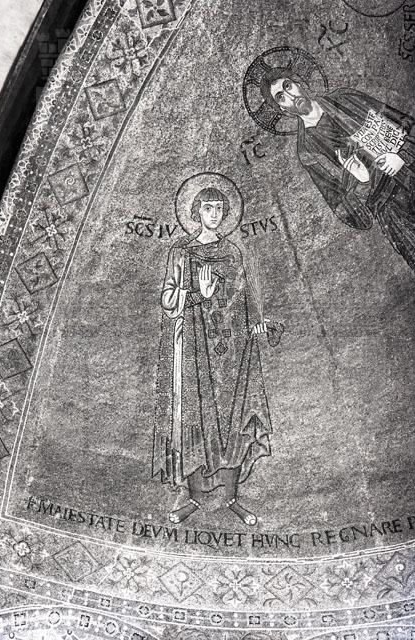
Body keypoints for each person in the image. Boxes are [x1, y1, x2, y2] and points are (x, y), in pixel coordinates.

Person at [152, 184, 272, 526]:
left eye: (219, 208)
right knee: (196, 418)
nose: (215, 214)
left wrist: (257, 322)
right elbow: (168, 299)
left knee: (232, 416)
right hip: (193, 345)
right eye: (208, 208)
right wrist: (198, 294)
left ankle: (231, 497)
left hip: (229, 347)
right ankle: (192, 498)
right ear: (196, 213)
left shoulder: (233, 252)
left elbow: (245, 295)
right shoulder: (182, 252)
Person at [257, 68, 415, 290]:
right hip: (395, 213)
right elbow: (349, 213)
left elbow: (408, 124)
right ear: (282, 108)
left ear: (298, 83)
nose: (291, 96)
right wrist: (360, 180)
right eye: (281, 97)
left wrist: (402, 155)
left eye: (288, 86)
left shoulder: (346, 98)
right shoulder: (307, 151)